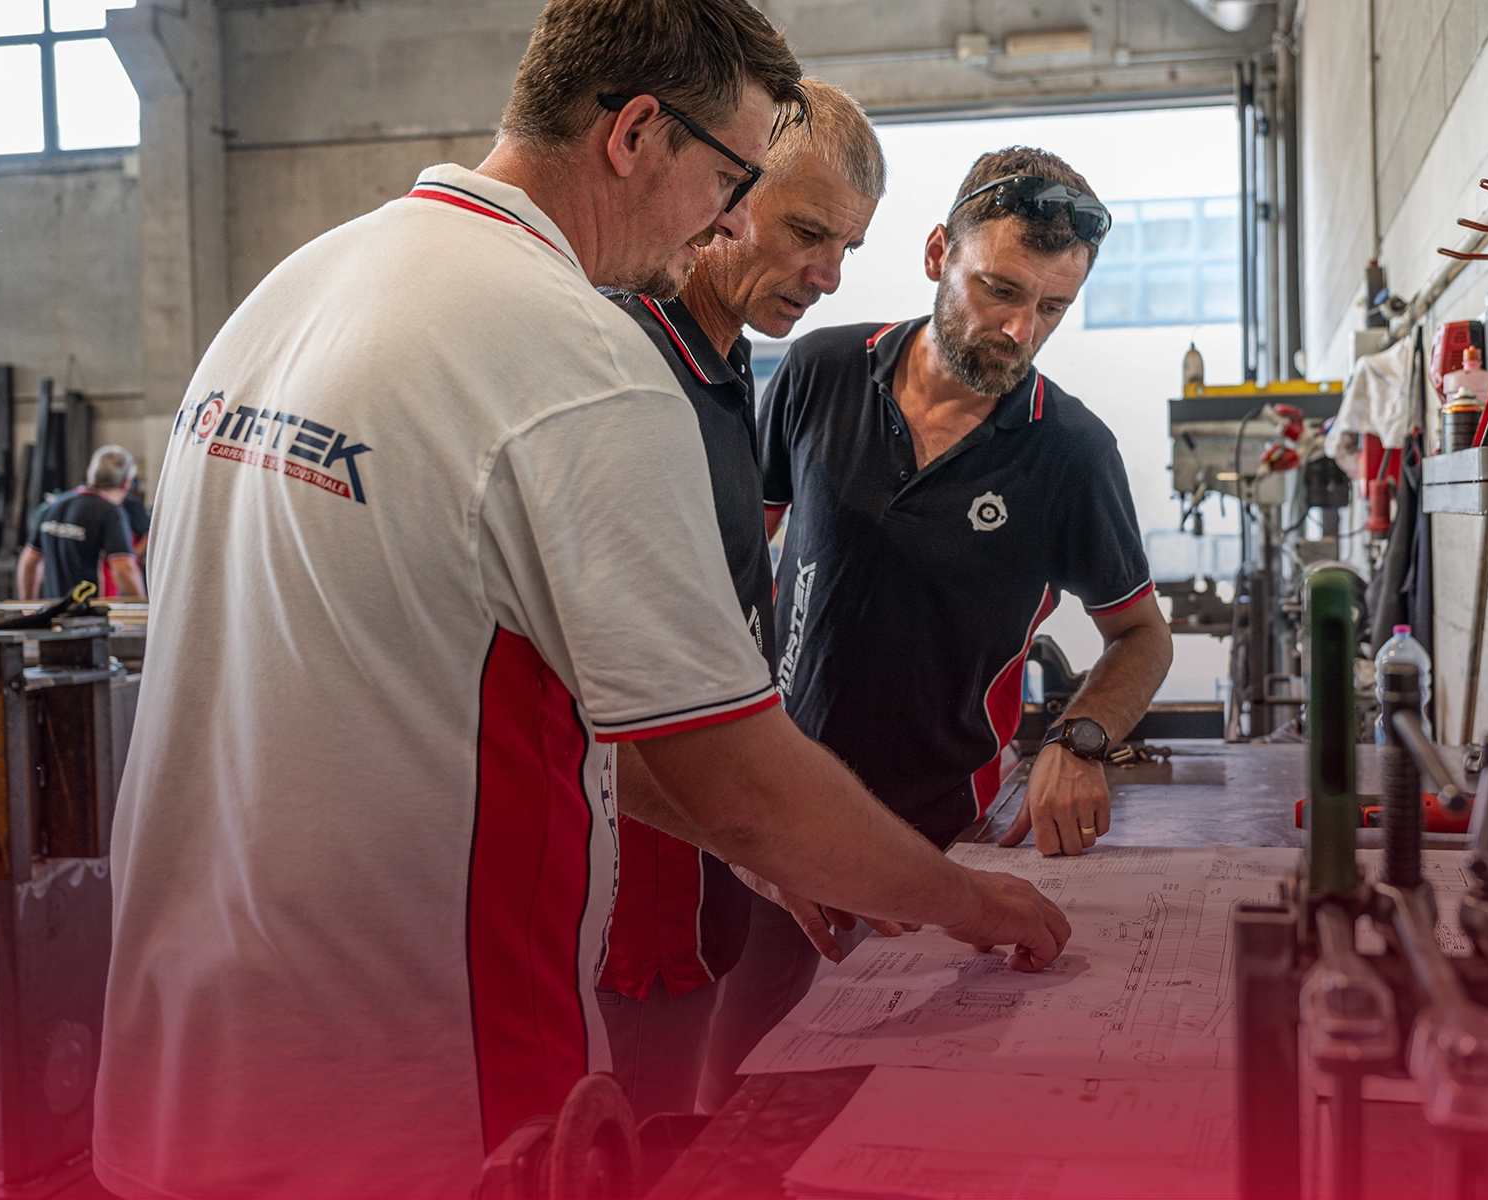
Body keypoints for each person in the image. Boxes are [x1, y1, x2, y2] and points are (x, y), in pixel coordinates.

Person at [94, 5, 1068, 1197]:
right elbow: (735, 775)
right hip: (419, 1102)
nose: (728, 219)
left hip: (179, 1083)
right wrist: (968, 901)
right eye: (732, 178)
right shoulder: (573, 361)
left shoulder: (299, 290)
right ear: (638, 133)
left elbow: (513, 706)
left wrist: (773, 857)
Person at [698, 147, 1173, 1109]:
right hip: (777, 832)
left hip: (943, 853)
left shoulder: (1071, 453)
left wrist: (1081, 739)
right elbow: (730, 575)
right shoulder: (820, 370)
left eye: (1050, 307)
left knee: (916, 1119)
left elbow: (1142, 637)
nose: (1017, 328)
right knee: (733, 1106)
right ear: (934, 255)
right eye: (998, 288)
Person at [594, 77, 884, 1123]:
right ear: (726, 189)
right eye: (810, 231)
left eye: (848, 249)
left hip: (710, 879)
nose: (829, 277)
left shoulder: (728, 366)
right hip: (622, 914)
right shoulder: (625, 366)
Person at [16, 444, 144, 600]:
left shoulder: (56, 504)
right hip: (92, 615)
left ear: (90, 472)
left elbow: (29, 561)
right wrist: (142, 611)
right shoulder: (110, 512)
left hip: (55, 610)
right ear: (126, 482)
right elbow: (124, 569)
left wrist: (29, 605)